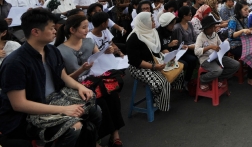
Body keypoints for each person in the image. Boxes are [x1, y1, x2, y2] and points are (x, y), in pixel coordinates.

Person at [0, 8, 102, 147]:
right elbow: (19, 104)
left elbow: (64, 76)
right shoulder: (15, 63)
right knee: (74, 127)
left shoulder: (51, 50)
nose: (55, 31)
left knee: (94, 107)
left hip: (54, 99)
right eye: (51, 28)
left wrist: (80, 87)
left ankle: (91, 142)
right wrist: (64, 110)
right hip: (27, 115)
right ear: (35, 32)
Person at [55, 15, 125, 146]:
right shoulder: (59, 50)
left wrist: (107, 52)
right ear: (72, 30)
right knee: (100, 102)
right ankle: (96, 138)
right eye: (84, 27)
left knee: (113, 96)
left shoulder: (89, 42)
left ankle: (114, 133)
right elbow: (64, 79)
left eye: (87, 26)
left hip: (95, 80)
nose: (87, 30)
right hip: (77, 86)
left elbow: (99, 60)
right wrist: (81, 70)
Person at [126, 12, 184, 112]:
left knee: (179, 69)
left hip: (156, 60)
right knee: (160, 82)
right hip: (140, 66)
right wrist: (153, 67)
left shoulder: (153, 32)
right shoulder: (134, 38)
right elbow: (135, 61)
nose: (154, 22)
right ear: (144, 23)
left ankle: (168, 92)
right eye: (151, 20)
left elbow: (160, 48)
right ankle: (159, 101)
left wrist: (168, 56)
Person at [195, 15, 240, 91]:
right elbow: (196, 51)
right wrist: (209, 47)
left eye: (214, 27)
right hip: (206, 59)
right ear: (206, 28)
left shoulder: (215, 34)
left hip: (216, 56)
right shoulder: (200, 37)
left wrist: (225, 43)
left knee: (236, 65)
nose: (214, 29)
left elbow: (220, 44)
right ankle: (203, 79)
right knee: (218, 70)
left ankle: (220, 77)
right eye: (212, 27)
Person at [172, 6, 199, 86]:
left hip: (191, 47)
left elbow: (194, 37)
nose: (191, 16)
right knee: (192, 59)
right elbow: (180, 44)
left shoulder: (190, 24)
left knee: (202, 53)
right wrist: (191, 46)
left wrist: (196, 44)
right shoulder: (177, 28)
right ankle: (186, 81)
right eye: (190, 15)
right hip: (182, 51)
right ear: (184, 16)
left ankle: (198, 77)